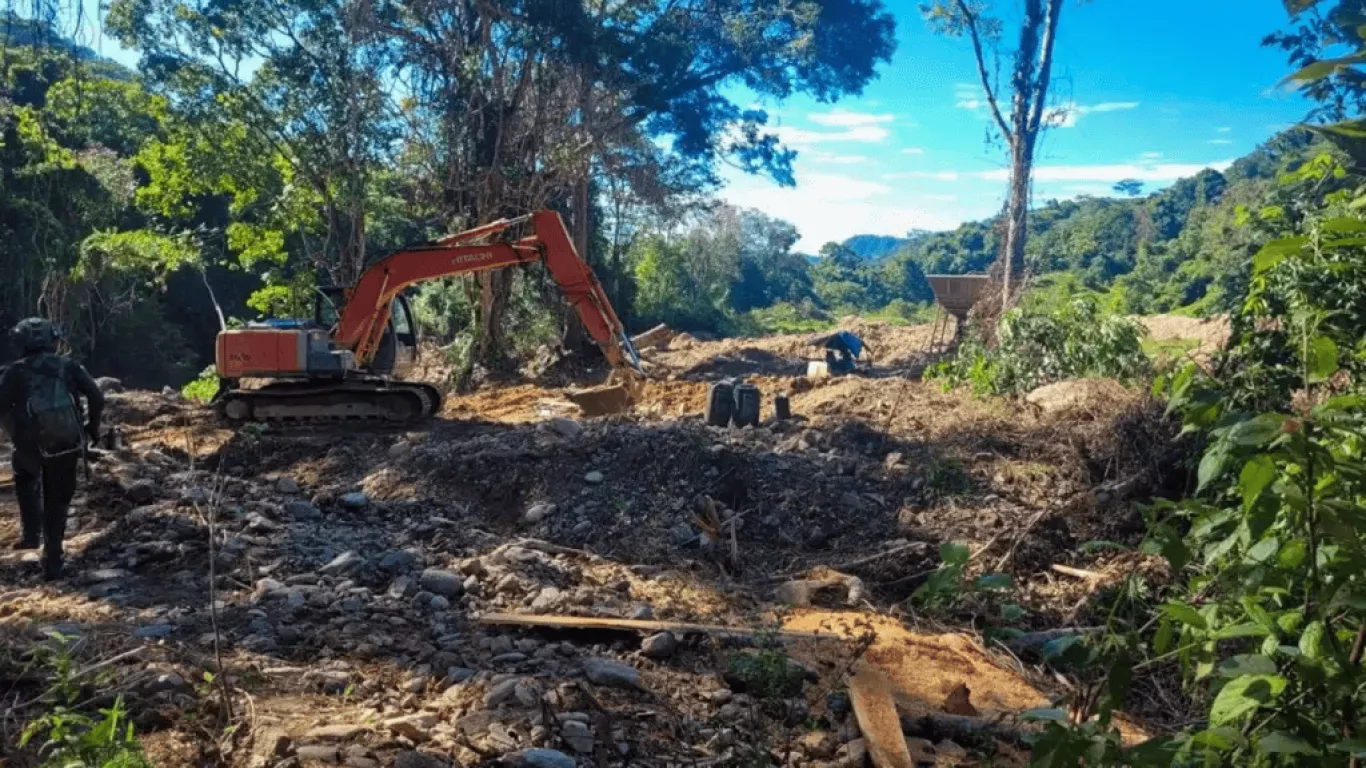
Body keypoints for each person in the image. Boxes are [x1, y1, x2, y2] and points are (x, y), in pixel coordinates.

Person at [0, 318, 103, 581]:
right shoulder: (68, 366)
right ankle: (53, 560)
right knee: (58, 500)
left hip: (29, 447)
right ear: (52, 340)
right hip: (66, 444)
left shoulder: (14, 372)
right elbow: (96, 396)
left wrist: (14, 430)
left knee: (25, 477)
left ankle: (31, 535)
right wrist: (93, 428)